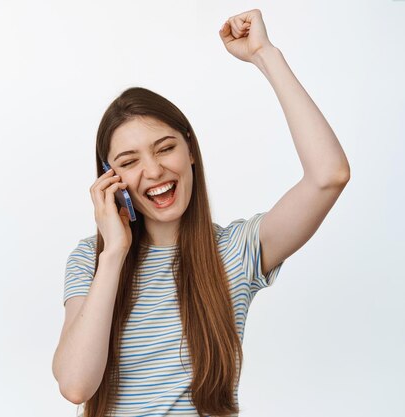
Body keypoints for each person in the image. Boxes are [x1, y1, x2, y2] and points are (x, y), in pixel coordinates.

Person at [52, 9, 350, 417]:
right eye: (129, 161)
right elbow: (74, 384)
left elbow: (329, 176)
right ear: (110, 179)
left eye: (165, 148)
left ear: (189, 150)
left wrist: (265, 54)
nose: (154, 171)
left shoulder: (236, 250)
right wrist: (115, 252)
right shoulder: (92, 260)